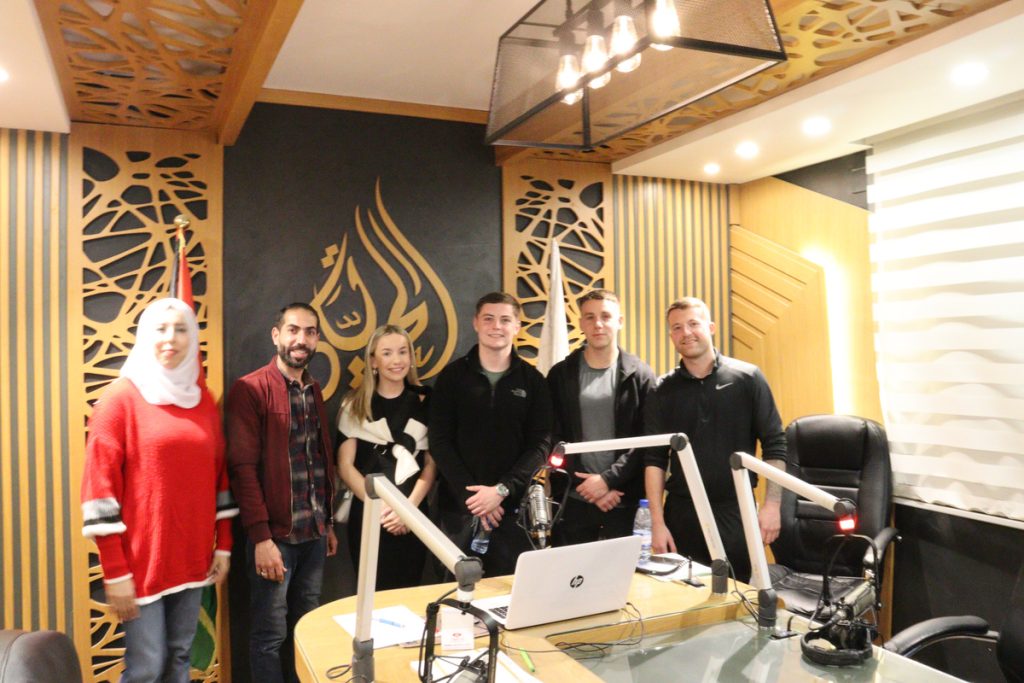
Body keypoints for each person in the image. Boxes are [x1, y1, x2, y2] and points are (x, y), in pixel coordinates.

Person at [81, 297, 235, 683]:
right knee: (146, 668)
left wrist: (224, 545)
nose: (171, 338)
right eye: (161, 329)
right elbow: (98, 493)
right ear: (144, 336)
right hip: (140, 565)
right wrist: (115, 572)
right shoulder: (119, 401)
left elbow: (219, 478)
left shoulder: (204, 403)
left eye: (181, 329)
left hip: (193, 559)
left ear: (192, 337)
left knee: (180, 658)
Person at [226, 303, 337, 683]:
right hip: (275, 539)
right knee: (269, 636)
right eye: (293, 330)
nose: (301, 339)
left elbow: (319, 460)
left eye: (309, 332)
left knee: (306, 631)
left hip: (314, 536)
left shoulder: (313, 389)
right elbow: (242, 470)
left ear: (317, 339)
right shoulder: (250, 389)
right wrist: (261, 539)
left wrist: (328, 522)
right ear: (276, 336)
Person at [644, 297, 786, 583]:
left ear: (710, 327)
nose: (686, 333)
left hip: (735, 510)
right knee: (681, 596)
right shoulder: (661, 390)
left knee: (736, 595)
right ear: (671, 336)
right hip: (682, 514)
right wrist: (656, 524)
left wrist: (772, 506)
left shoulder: (748, 378)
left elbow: (775, 444)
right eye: (677, 327)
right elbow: (654, 460)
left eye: (693, 324)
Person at [429, 292, 552, 576]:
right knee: (454, 593)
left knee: (509, 594)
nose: (496, 326)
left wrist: (502, 490)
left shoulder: (534, 382)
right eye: (488, 318)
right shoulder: (452, 378)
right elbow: (439, 441)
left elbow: (541, 444)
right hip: (458, 510)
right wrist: (473, 496)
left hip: (513, 512)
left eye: (505, 320)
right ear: (476, 323)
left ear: (517, 326)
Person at [547, 289, 656, 545]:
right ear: (581, 323)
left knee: (624, 571)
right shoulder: (560, 375)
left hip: (623, 499)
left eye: (606, 316)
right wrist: (588, 486)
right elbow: (553, 435)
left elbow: (648, 440)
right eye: (590, 317)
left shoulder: (641, 375)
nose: (598, 324)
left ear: (619, 321)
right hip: (572, 499)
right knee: (571, 570)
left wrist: (608, 480)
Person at [336, 324, 435, 590]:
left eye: (403, 352)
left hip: (413, 513)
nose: (396, 360)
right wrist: (382, 508)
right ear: (373, 361)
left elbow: (430, 465)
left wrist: (407, 511)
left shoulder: (428, 402)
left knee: (409, 593)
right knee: (372, 594)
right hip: (369, 513)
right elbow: (345, 466)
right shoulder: (355, 404)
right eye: (387, 353)